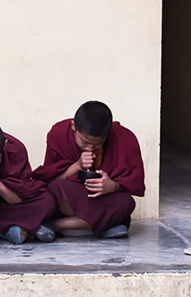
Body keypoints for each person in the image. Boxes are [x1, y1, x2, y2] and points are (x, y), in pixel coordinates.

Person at [31, 101, 145, 238]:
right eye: (84, 142)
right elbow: (49, 179)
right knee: (55, 188)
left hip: (103, 198)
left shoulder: (123, 137)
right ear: (73, 126)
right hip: (75, 195)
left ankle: (56, 225)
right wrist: (77, 166)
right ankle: (106, 223)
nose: (90, 148)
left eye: (99, 143)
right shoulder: (58, 134)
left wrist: (112, 186)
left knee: (127, 202)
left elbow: (131, 181)